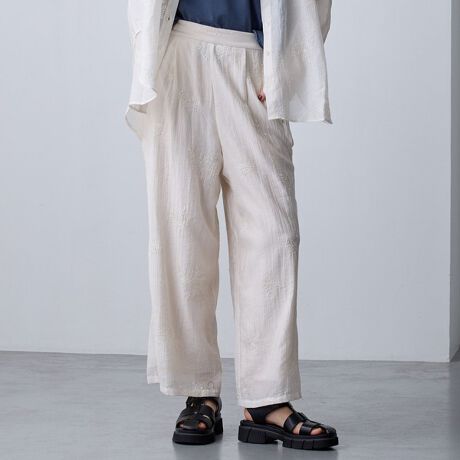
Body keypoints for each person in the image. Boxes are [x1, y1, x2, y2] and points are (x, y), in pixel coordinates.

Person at [126, 0, 338, 451]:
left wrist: (288, 62)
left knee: (275, 234)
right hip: (181, 52)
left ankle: (267, 399)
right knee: (182, 233)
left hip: (254, 58)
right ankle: (199, 392)